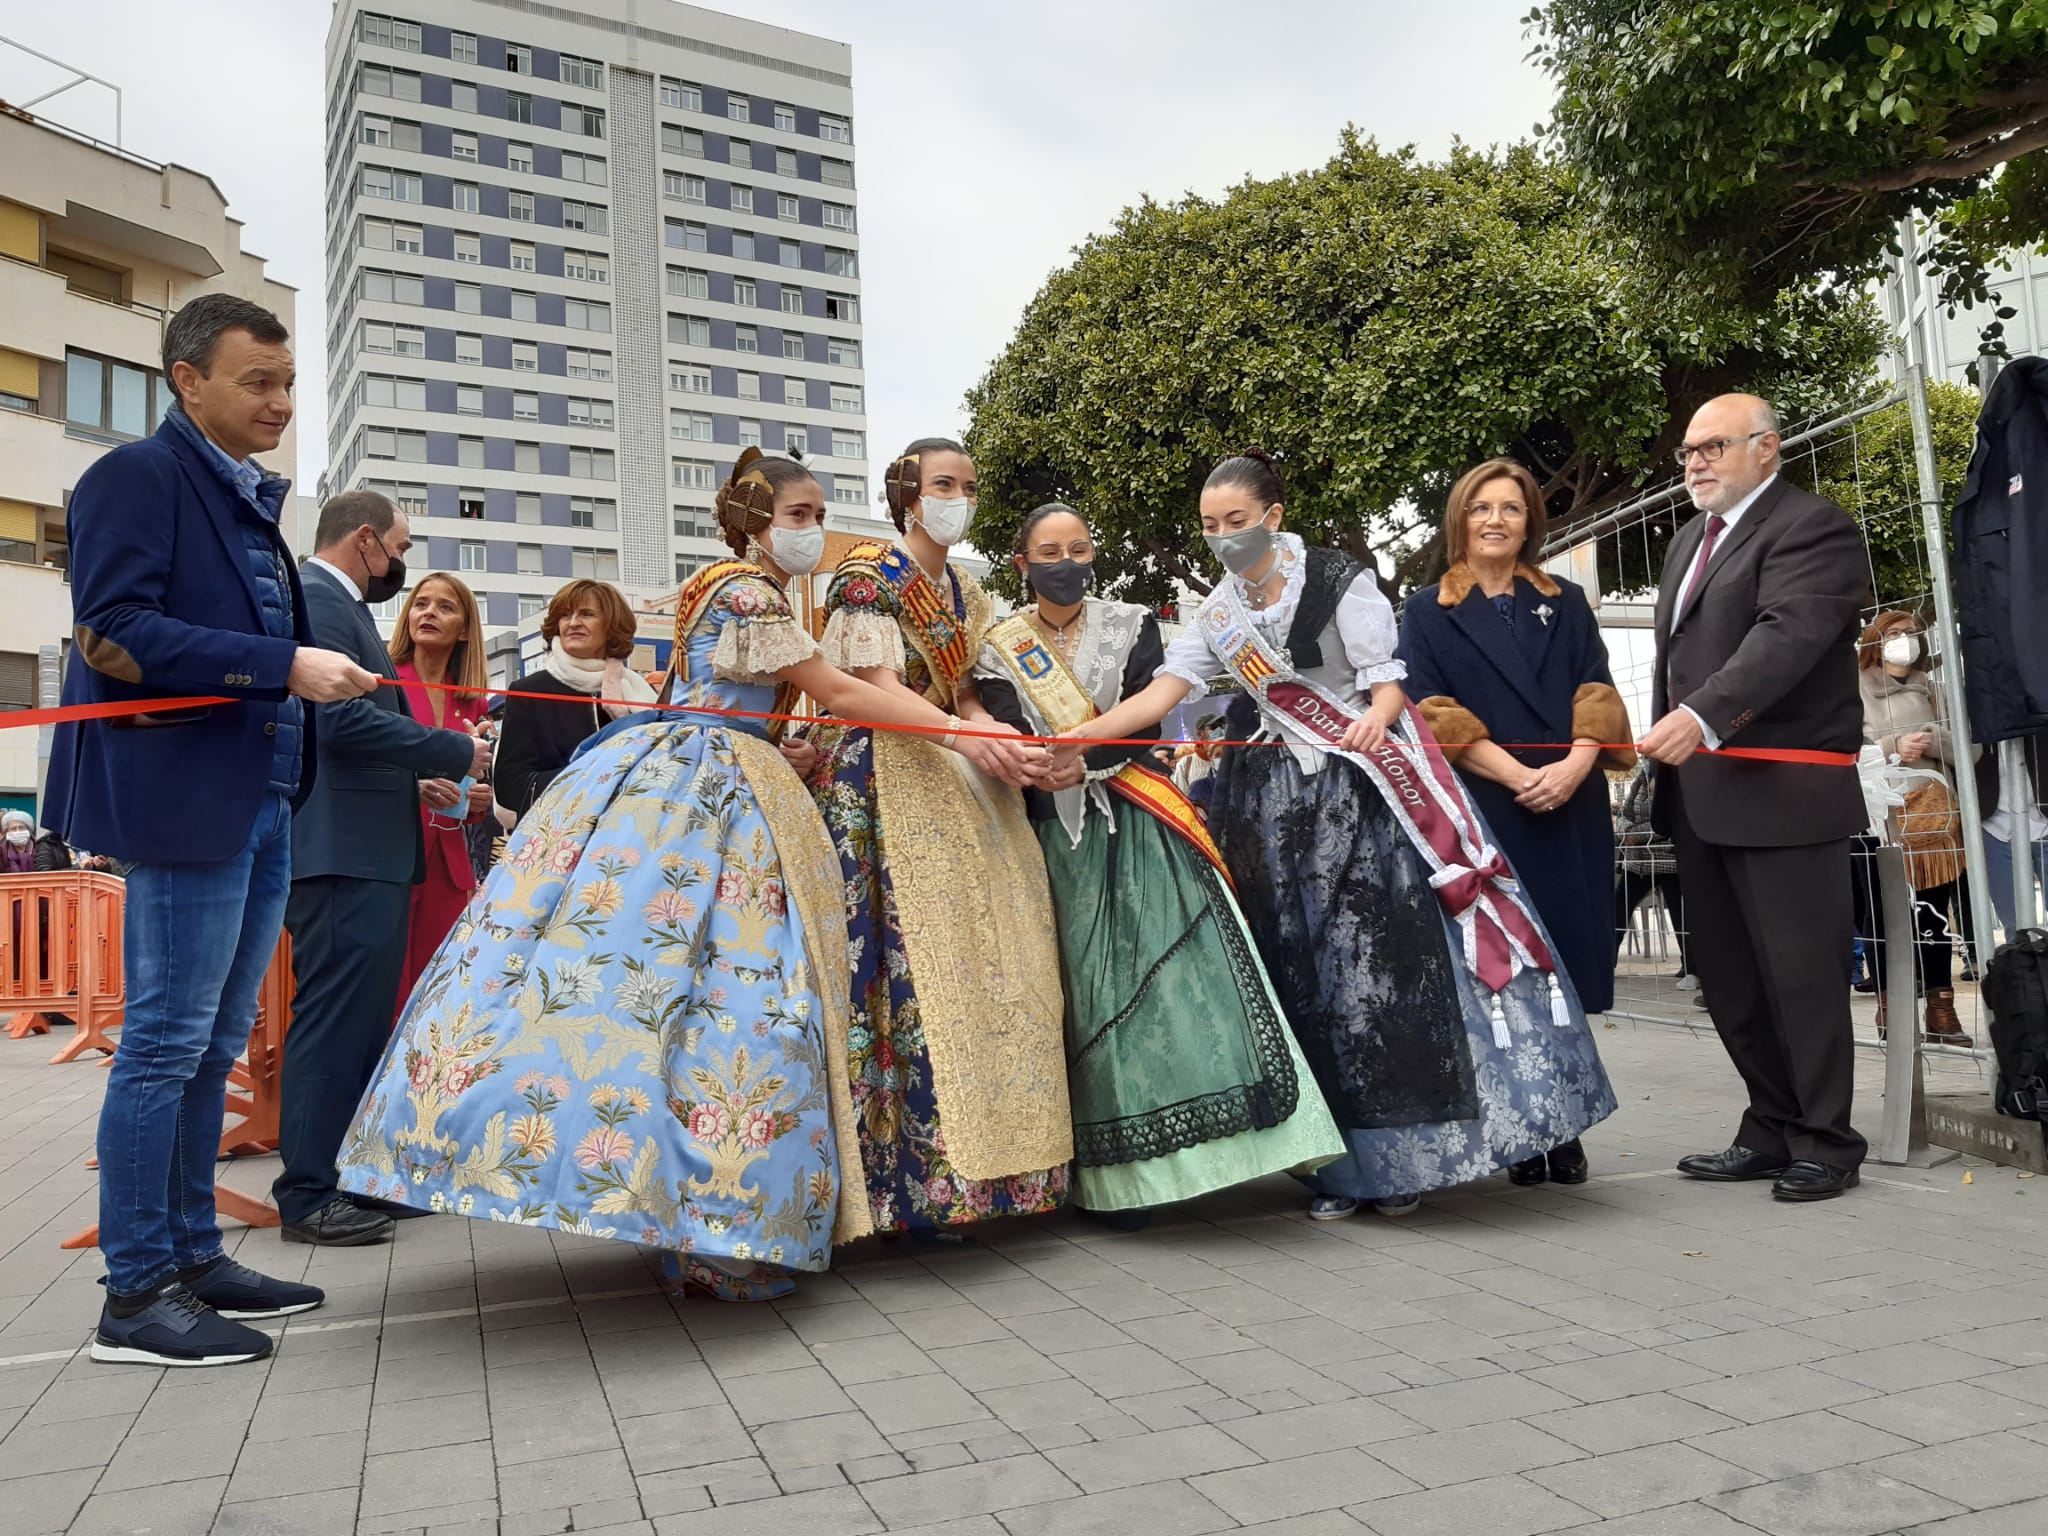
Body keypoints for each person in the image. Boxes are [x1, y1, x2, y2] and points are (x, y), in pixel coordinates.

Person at [338, 450, 1032, 1299]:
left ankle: (697, 1213)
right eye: (802, 514)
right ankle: (710, 1221)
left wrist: (783, 742)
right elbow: (844, 693)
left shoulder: (733, 589)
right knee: (736, 1003)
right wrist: (960, 733)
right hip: (716, 795)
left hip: (714, 774)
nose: (814, 529)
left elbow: (736, 695)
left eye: (820, 515)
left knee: (690, 1001)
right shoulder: (746, 592)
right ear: (755, 520)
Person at [1057, 450, 1616, 1221]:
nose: (1223, 537)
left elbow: (1386, 687)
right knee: (1305, 978)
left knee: (1381, 974)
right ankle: (1339, 1167)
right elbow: (1163, 695)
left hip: (1365, 797)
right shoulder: (1218, 610)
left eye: (1236, 522)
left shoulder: (1337, 580)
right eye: (1211, 526)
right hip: (1269, 811)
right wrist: (1076, 738)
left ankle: (1403, 1161)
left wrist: (1374, 722)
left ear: (1272, 517)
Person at [45, 292, 379, 1366]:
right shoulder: (138, 476)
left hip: (260, 799)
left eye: (288, 384)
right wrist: (283, 664)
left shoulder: (239, 493)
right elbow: (112, 631)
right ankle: (137, 1295)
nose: (281, 403)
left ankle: (191, 1256)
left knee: (209, 1046)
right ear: (187, 381)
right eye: (257, 382)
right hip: (187, 802)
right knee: (163, 1044)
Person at [973, 504, 1343, 1221]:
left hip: (1141, 819)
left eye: (1080, 548)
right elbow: (1008, 725)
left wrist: (1087, 759)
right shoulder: (998, 645)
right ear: (1022, 564)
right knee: (1088, 996)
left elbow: (1148, 713)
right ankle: (1121, 1177)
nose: (1067, 563)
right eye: (1049, 551)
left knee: (1186, 979)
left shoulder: (1133, 622)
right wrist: (1041, 766)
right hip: (1053, 837)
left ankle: (1243, 1149)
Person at [802, 438, 1074, 1236]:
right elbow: (872, 690)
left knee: (999, 959)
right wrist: (964, 735)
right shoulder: (866, 578)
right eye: (944, 484)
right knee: (905, 970)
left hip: (964, 771)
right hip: (886, 775)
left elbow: (967, 691)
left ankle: (1005, 1172)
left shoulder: (970, 590)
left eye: (969, 486)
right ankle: (906, 1184)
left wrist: (993, 733)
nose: (960, 499)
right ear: (908, 496)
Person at [1639, 394, 1869, 1202]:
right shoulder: (1687, 542)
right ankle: (1770, 1127)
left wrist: (1700, 715)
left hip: (1785, 797)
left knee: (1801, 979)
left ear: (1767, 448)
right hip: (1700, 797)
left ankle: (1827, 1141)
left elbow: (1788, 637)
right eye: (1688, 452)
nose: (1694, 462)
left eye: (1713, 446)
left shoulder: (1813, 528)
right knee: (1732, 981)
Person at [1398, 458, 1634, 1185]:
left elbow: (1597, 689)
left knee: (1565, 970)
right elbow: (1432, 712)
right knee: (1503, 976)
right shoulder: (1425, 611)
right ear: (1459, 519)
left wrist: (1572, 767)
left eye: (1510, 507)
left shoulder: (1566, 601)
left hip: (1570, 802)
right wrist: (1518, 776)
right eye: (1481, 507)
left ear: (1531, 520)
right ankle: (1526, 1132)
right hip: (1488, 811)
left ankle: (1570, 1124)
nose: (1495, 520)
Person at [275, 492, 490, 1247]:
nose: (399, 563)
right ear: (366, 541)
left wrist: (419, 774)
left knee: (364, 1023)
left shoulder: (342, 607)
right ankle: (308, 1192)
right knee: (335, 1022)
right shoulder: (321, 599)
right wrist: (454, 750)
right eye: (398, 549)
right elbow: (338, 720)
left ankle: (351, 1178)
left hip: (368, 846)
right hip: (342, 849)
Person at [1850, 610, 1969, 1045]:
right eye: (1896, 633)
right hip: (1877, 820)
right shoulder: (1853, 689)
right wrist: (1892, 746)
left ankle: (1941, 1009)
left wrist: (1935, 740)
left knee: (1933, 914)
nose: (1906, 640)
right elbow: (1845, 750)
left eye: (1913, 633)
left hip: (1934, 821)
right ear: (1876, 641)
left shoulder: (1935, 691)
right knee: (1880, 913)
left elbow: (1971, 751)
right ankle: (1892, 1009)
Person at [388, 573, 495, 1012]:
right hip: (390, 856)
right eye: (421, 603)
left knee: (434, 994)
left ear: (465, 630)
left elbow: (476, 784)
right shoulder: (384, 682)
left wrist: (478, 801)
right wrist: (412, 789)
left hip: (448, 867)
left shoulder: (474, 702)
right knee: (387, 991)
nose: (429, 612)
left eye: (445, 607)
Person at [492, 582, 657, 820]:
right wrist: (591, 776)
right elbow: (510, 786)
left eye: (587, 614)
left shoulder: (640, 692)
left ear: (611, 625)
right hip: (556, 831)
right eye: (565, 615)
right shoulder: (528, 691)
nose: (573, 622)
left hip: (630, 829)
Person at [1976, 730, 2045, 940]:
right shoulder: (1977, 720)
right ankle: (2023, 961)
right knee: (2015, 924)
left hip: (2044, 821)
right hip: (1994, 826)